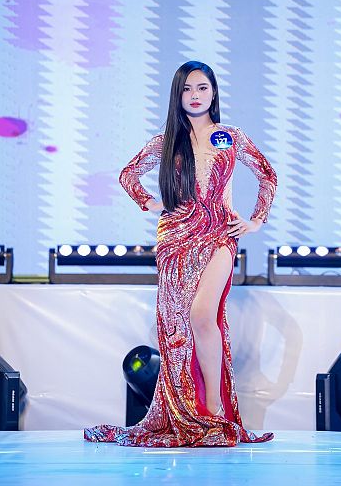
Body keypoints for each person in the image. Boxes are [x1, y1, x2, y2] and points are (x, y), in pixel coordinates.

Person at [84, 60, 277, 447]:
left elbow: (266, 174)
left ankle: (215, 411)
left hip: (220, 233)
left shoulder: (229, 137)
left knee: (203, 315)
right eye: (187, 89)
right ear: (178, 95)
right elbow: (128, 174)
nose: (195, 95)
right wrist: (150, 203)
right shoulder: (166, 142)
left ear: (213, 92)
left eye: (202, 87)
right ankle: (192, 410)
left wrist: (256, 220)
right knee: (178, 329)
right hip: (175, 239)